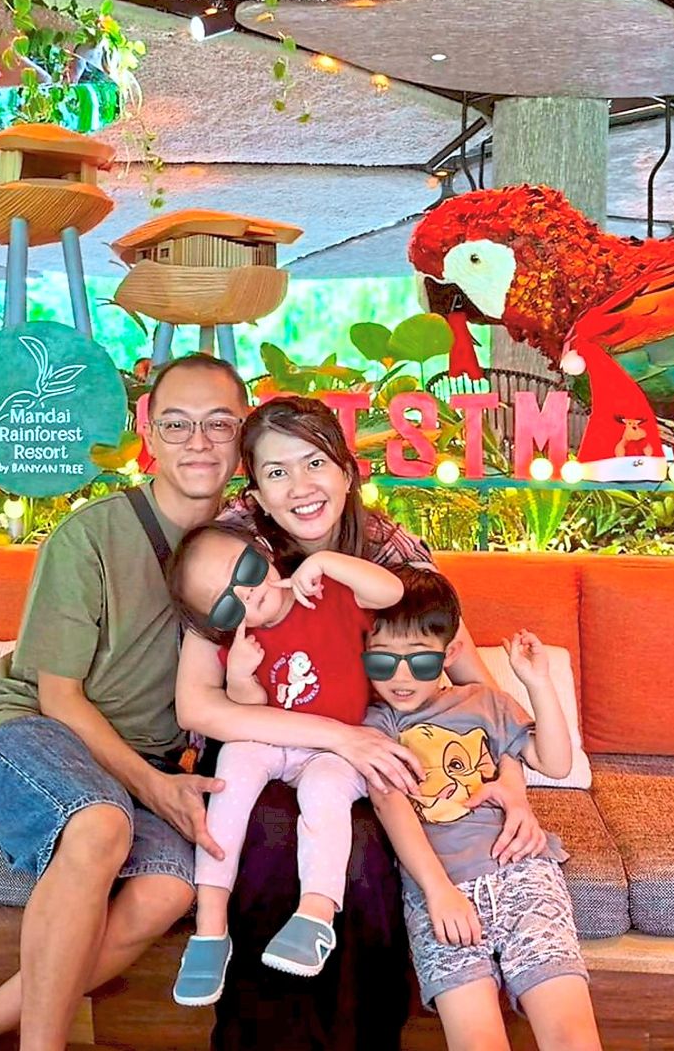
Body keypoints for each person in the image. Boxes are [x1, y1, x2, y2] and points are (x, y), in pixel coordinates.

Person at [0, 353, 249, 1051]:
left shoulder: (252, 547)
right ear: (148, 428)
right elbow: (58, 695)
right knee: (100, 824)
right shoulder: (91, 537)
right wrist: (154, 785)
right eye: (177, 423)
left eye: (217, 423)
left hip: (142, 760)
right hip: (32, 732)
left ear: (242, 432)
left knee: (170, 889)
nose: (197, 441)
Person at [177, 395, 551, 1051]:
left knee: (365, 856)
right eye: (275, 472)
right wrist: (338, 736)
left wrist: (509, 777)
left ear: (348, 470)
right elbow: (199, 705)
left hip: (368, 754)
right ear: (256, 491)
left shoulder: (390, 548)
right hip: (263, 744)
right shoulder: (235, 549)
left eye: (314, 462)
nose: (300, 487)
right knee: (268, 841)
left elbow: (460, 667)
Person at [365, 567, 601, 1051]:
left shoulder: (486, 702)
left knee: (571, 1037)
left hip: (522, 874)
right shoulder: (375, 726)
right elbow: (390, 805)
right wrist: (437, 891)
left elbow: (555, 762)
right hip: (440, 891)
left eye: (420, 662)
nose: (402, 677)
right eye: (382, 662)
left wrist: (536, 684)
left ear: (451, 654)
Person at [167, 523, 404, 1002]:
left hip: (335, 748)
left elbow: (392, 589)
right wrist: (238, 676)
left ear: (265, 554)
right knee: (232, 766)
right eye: (226, 603)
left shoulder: (329, 593)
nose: (248, 595)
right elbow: (250, 712)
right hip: (275, 738)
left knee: (324, 794)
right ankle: (210, 925)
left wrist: (323, 563)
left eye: (248, 571)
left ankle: (315, 915)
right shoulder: (239, 643)